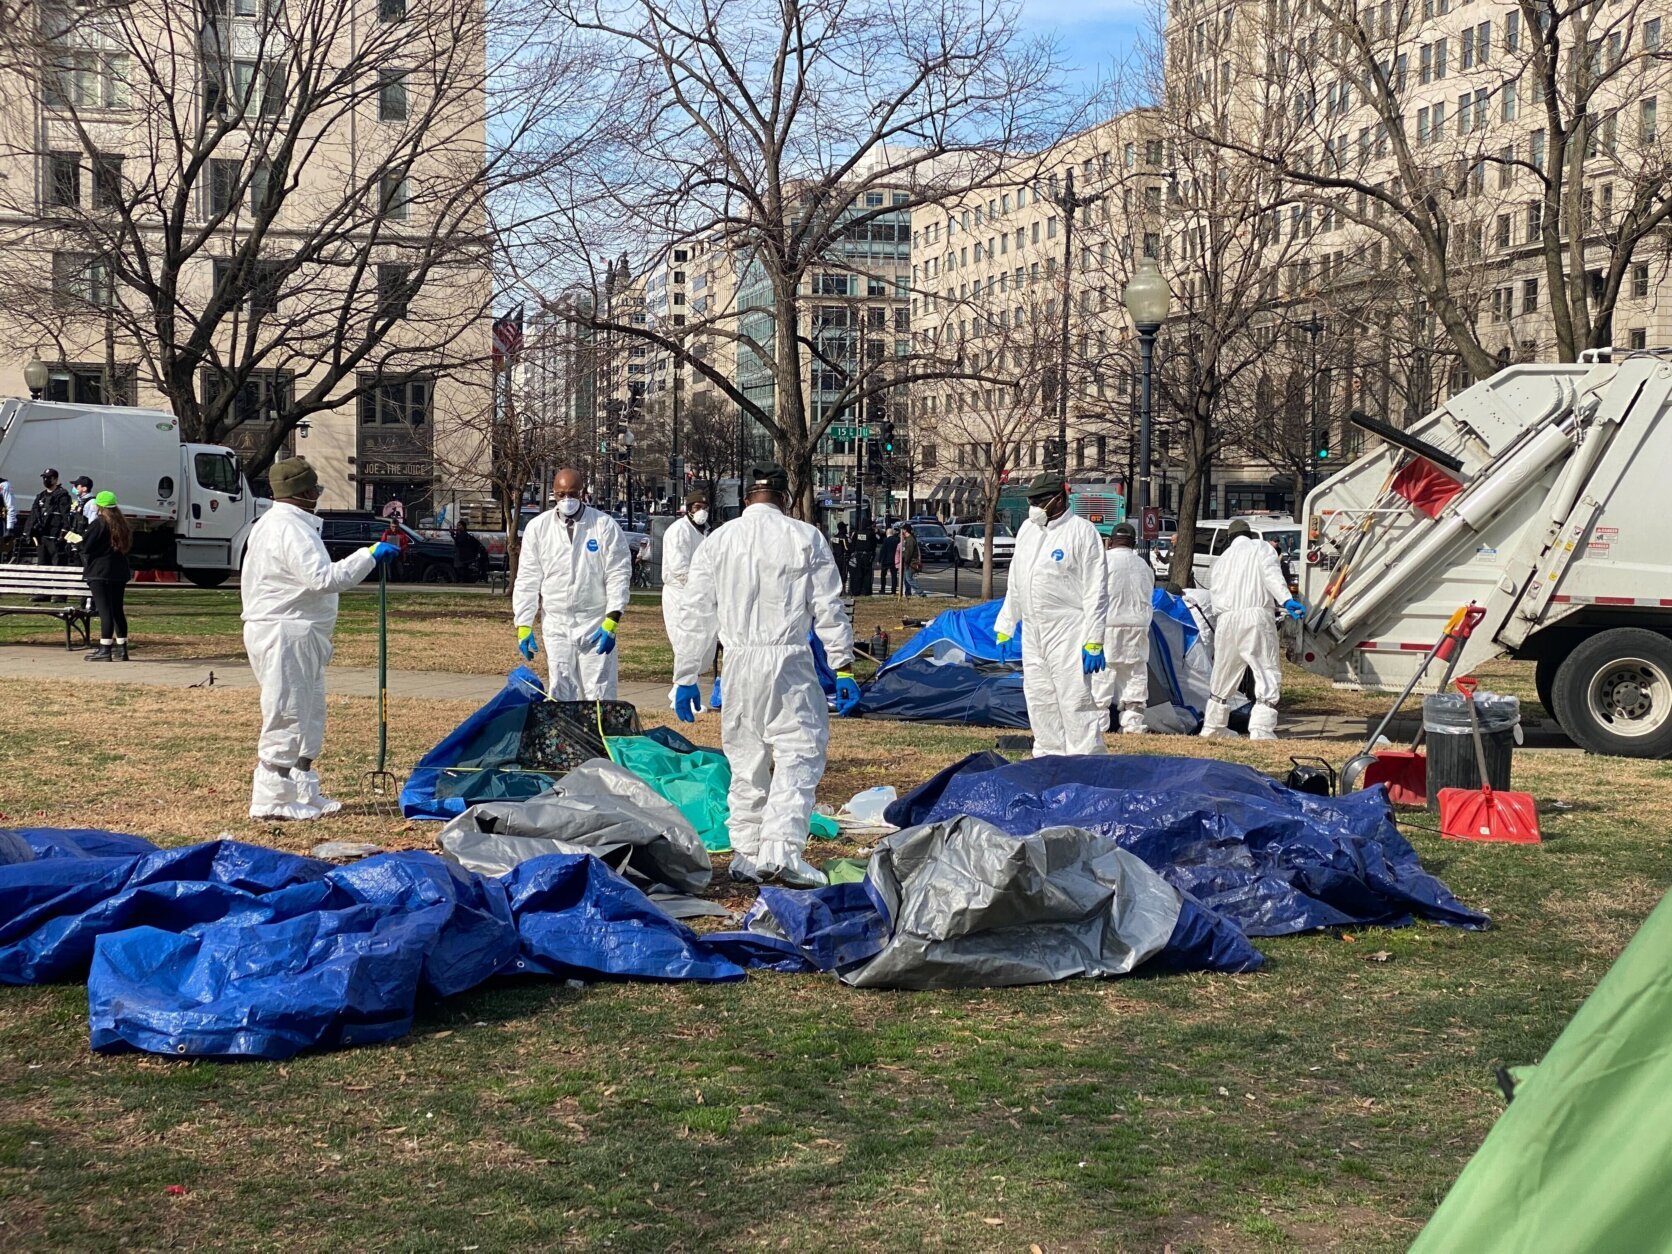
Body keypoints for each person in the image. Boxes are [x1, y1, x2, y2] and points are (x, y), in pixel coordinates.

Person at [673, 462, 858, 888]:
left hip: (738, 662)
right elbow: (829, 607)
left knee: (746, 756)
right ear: (785, 499)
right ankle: (782, 849)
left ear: (745, 499)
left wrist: (686, 675)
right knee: (799, 751)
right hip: (788, 661)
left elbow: (696, 614)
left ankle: (747, 851)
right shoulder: (805, 538)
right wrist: (842, 666)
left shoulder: (718, 542)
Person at [241, 456, 400, 820]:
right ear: (305, 491)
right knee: (287, 713)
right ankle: (272, 800)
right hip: (284, 631)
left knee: (309, 713)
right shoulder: (287, 528)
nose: (317, 494)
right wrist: (369, 555)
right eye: (315, 488)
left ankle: (301, 787)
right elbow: (324, 579)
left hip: (301, 631)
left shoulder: (288, 524)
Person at [994, 473, 1110, 757]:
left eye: (1040, 501)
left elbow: (1096, 591)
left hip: (1068, 628)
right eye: (1031, 501)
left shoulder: (1082, 533)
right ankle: (1047, 757)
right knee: (1039, 697)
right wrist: (1007, 623)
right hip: (1034, 630)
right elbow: (1017, 580)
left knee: (1073, 699)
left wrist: (1094, 640)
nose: (1034, 507)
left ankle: (1085, 761)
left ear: (1061, 497)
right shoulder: (1028, 530)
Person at [512, 466, 632, 699]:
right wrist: (524, 623)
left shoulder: (604, 526)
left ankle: (598, 735)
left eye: (573, 493)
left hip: (595, 622)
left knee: (599, 693)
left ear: (583, 492)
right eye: (561, 494)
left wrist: (613, 617)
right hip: (556, 623)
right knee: (561, 690)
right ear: (553, 494)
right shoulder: (539, 529)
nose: (567, 500)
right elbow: (528, 578)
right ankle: (567, 736)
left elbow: (618, 573)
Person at [1200, 519, 1305, 740]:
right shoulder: (1261, 548)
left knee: (1223, 673)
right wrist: (1286, 600)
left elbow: (1214, 592)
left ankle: (1213, 726)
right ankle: (1261, 729)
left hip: (1226, 620)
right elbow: (1271, 576)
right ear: (1250, 534)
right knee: (1265, 670)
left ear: (1229, 538)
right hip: (1255, 615)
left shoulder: (1222, 560)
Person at [1092, 523, 1155, 734]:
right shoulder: (1143, 566)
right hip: (1138, 626)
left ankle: (1099, 723)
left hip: (1108, 625)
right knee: (1135, 672)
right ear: (1134, 543)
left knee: (1104, 672)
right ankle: (1133, 723)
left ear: (1110, 542)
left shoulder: (1103, 563)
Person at [660, 491, 713, 708]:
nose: (700, 511)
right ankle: (681, 689)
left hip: (699, 595)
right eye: (696, 507)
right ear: (688, 508)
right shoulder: (678, 531)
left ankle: (686, 687)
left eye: (704, 507)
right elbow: (679, 568)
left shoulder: (705, 532)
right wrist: (699, 585)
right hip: (679, 594)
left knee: (703, 645)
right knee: (684, 643)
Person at [79, 491, 133, 662]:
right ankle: (122, 649)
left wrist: (77, 542)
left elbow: (87, 546)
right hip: (119, 571)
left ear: (98, 506)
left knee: (105, 611)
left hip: (100, 571)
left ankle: (105, 649)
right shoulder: (122, 524)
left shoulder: (99, 523)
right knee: (117, 609)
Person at [27, 469, 73, 566]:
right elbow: (33, 515)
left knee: (58, 563)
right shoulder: (41, 496)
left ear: (55, 479)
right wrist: (28, 532)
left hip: (55, 537)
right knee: (42, 563)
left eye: (48, 478)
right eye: (44, 478)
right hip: (42, 537)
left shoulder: (62, 496)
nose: (45, 480)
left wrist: (63, 532)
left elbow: (66, 516)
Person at [847, 521, 875, 596]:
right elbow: (874, 545)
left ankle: (857, 591)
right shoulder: (871, 533)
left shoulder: (857, 533)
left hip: (858, 555)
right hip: (867, 555)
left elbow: (853, 544)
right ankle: (866, 591)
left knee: (858, 574)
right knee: (867, 574)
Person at [898, 523, 926, 598]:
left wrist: (906, 561)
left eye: (902, 529)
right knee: (905, 579)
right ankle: (908, 593)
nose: (901, 531)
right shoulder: (907, 539)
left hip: (911, 563)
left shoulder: (910, 540)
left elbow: (908, 553)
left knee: (909, 579)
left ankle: (921, 592)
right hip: (907, 563)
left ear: (905, 530)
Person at [877, 523, 900, 595]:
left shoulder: (885, 540)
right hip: (894, 560)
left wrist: (879, 560)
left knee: (883, 575)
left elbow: (882, 551)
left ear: (887, 533)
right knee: (894, 576)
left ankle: (883, 589)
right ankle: (893, 590)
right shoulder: (897, 540)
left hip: (885, 560)